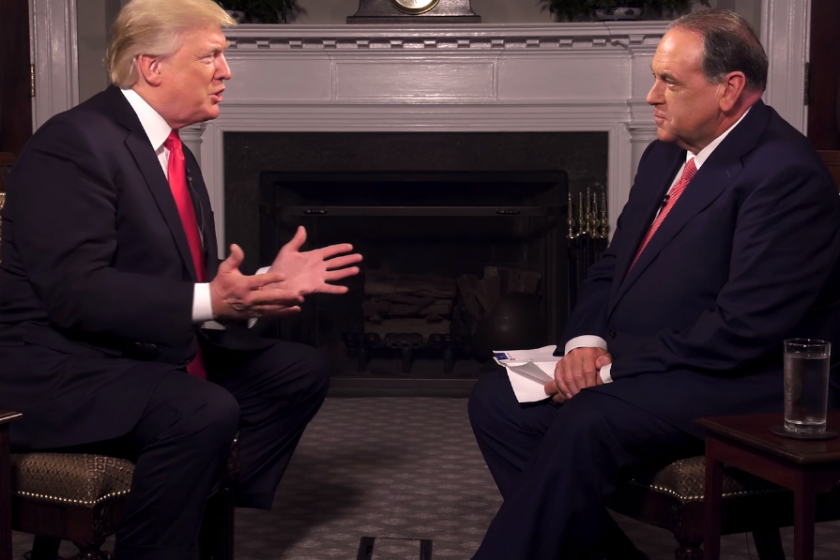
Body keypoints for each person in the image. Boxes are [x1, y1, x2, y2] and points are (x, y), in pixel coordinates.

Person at [468, 9, 840, 560]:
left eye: (670, 81)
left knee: (589, 419)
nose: (651, 97)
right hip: (662, 361)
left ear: (729, 89)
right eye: (653, 77)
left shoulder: (784, 173)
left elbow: (742, 330)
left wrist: (610, 371)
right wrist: (585, 344)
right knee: (498, 400)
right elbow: (612, 265)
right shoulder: (666, 152)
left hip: (751, 380)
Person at [0, 0, 362, 558]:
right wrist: (214, 299)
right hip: (57, 368)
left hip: (138, 349)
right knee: (201, 410)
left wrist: (258, 285)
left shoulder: (174, 151)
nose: (226, 72)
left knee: (298, 372)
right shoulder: (74, 143)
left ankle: (188, 506)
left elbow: (184, 280)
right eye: (210, 56)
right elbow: (77, 294)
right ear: (152, 66)